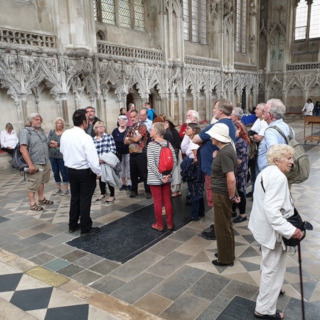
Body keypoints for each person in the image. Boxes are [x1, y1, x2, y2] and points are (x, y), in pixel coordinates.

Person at [248, 144, 304, 320]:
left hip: (263, 228)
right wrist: (292, 230)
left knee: (269, 268)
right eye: (288, 158)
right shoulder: (278, 178)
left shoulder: (266, 172)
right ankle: (264, 310)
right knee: (273, 270)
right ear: (277, 159)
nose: (292, 162)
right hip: (272, 232)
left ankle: (268, 298)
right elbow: (273, 212)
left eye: (291, 158)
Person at [193, 99, 236, 240]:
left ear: (221, 111)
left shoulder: (220, 125)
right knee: (218, 201)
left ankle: (220, 230)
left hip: (214, 170)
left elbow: (195, 139)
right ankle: (220, 226)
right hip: (215, 167)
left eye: (215, 108)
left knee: (216, 201)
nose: (213, 110)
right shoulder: (229, 124)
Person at [60, 109, 101, 236]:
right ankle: (85, 227)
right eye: (88, 120)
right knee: (85, 199)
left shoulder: (66, 134)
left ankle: (72, 224)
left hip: (70, 170)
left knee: (75, 197)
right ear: (84, 122)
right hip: (84, 172)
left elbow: (62, 150)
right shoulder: (85, 137)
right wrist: (98, 172)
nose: (89, 123)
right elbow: (92, 159)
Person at [206, 123, 240, 267]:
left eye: (212, 135)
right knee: (225, 224)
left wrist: (232, 195)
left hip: (222, 193)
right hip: (223, 192)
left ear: (218, 137)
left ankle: (225, 258)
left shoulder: (225, 152)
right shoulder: (225, 149)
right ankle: (225, 252)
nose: (210, 138)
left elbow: (231, 178)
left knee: (222, 226)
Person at [20, 113, 53, 211]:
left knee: (41, 181)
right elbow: (23, 149)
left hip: (45, 161)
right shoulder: (26, 132)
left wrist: (58, 143)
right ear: (30, 121)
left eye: (40, 120)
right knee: (33, 183)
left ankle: (41, 199)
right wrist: (30, 164)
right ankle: (32, 203)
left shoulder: (41, 132)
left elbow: (48, 144)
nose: (39, 121)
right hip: (34, 162)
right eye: (36, 119)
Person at [147, 122, 176, 231]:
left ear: (156, 132)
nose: (150, 131)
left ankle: (159, 224)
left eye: (151, 129)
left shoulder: (151, 145)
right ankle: (170, 224)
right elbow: (174, 161)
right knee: (167, 200)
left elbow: (151, 163)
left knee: (157, 201)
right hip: (167, 177)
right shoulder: (168, 144)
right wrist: (168, 175)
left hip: (155, 178)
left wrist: (160, 177)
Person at [257, 99, 293, 174]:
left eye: (264, 111)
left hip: (271, 174)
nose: (262, 113)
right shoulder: (289, 128)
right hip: (285, 170)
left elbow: (274, 154)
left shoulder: (270, 131)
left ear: (270, 115)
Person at [124, 109, 151, 199]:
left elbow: (136, 139)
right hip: (132, 153)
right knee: (133, 173)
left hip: (141, 153)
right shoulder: (130, 128)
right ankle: (134, 190)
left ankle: (148, 191)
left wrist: (130, 138)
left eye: (134, 116)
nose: (132, 119)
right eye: (131, 117)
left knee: (144, 173)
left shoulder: (142, 126)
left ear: (138, 116)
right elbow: (125, 141)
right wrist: (133, 139)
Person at [181, 123, 205, 222]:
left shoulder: (195, 140)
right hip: (193, 166)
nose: (186, 130)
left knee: (194, 190)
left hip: (194, 169)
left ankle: (195, 215)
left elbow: (195, 156)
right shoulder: (192, 139)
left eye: (188, 128)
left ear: (194, 130)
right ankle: (200, 212)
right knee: (197, 190)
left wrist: (193, 163)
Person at [246, 103, 268, 197]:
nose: (255, 110)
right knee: (253, 173)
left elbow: (258, 138)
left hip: (260, 152)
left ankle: (258, 193)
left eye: (257, 109)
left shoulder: (265, 122)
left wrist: (253, 134)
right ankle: (254, 189)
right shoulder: (258, 120)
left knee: (259, 173)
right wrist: (253, 134)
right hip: (254, 151)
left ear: (263, 111)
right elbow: (251, 132)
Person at [93, 121, 117, 203]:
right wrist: (97, 160)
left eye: (102, 126)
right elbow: (92, 152)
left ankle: (112, 195)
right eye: (99, 127)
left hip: (107, 161)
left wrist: (105, 159)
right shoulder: (94, 139)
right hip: (98, 162)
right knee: (100, 178)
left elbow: (113, 150)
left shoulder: (109, 137)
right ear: (96, 129)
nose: (101, 128)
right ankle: (102, 193)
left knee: (109, 178)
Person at [232, 121, 250, 223]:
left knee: (240, 191)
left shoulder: (241, 142)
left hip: (240, 171)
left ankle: (242, 214)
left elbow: (239, 160)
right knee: (235, 190)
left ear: (239, 129)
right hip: (237, 170)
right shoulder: (236, 140)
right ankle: (233, 210)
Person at [48, 117, 69, 195]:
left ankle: (66, 189)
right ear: (55, 124)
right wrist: (55, 144)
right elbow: (48, 142)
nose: (59, 124)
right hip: (52, 155)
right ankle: (58, 188)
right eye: (58, 123)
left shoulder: (65, 133)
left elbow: (66, 143)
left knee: (64, 172)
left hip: (62, 156)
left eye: (60, 123)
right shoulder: (51, 132)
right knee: (55, 172)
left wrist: (57, 144)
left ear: (63, 124)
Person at [164, 116, 182, 197]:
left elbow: (175, 144)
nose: (165, 124)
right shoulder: (168, 131)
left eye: (167, 122)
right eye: (164, 122)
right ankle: (175, 189)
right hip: (172, 153)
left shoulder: (173, 132)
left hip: (175, 153)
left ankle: (176, 190)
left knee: (175, 172)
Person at [112, 115, 131, 191]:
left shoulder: (129, 130)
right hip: (119, 152)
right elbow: (113, 141)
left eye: (123, 120)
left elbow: (130, 140)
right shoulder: (115, 131)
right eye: (120, 120)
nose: (121, 122)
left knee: (128, 168)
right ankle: (123, 183)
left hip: (128, 151)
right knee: (121, 168)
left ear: (126, 121)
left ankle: (129, 183)